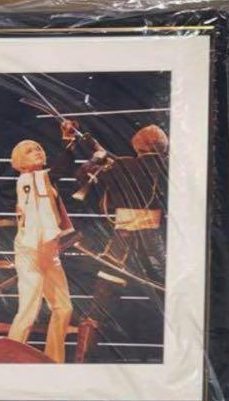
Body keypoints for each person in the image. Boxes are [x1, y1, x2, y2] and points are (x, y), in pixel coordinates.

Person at [66, 123, 168, 361]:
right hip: (153, 242)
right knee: (170, 294)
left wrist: (96, 157)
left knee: (99, 305)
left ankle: (81, 362)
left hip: (121, 241)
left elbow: (82, 176)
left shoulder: (121, 164)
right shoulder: (168, 168)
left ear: (137, 145)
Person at [6, 137, 76, 361]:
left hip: (47, 250)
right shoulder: (28, 179)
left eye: (38, 148)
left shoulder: (43, 180)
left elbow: (62, 172)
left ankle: (54, 360)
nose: (36, 151)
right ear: (20, 162)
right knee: (28, 310)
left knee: (63, 308)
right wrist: (69, 143)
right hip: (31, 250)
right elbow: (60, 169)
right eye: (29, 151)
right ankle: (8, 359)